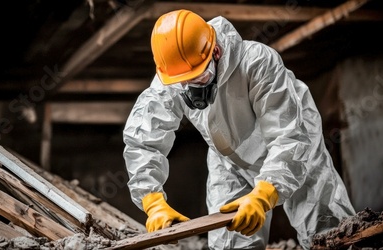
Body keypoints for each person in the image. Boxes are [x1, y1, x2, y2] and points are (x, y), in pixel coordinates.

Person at [122, 9, 355, 250]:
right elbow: (143, 140)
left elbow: (288, 137)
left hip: (295, 148)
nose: (191, 89)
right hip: (230, 160)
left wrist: (264, 194)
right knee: (230, 244)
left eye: (198, 78)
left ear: (216, 51)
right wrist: (153, 202)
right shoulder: (173, 78)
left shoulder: (257, 63)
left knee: (330, 234)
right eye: (183, 83)